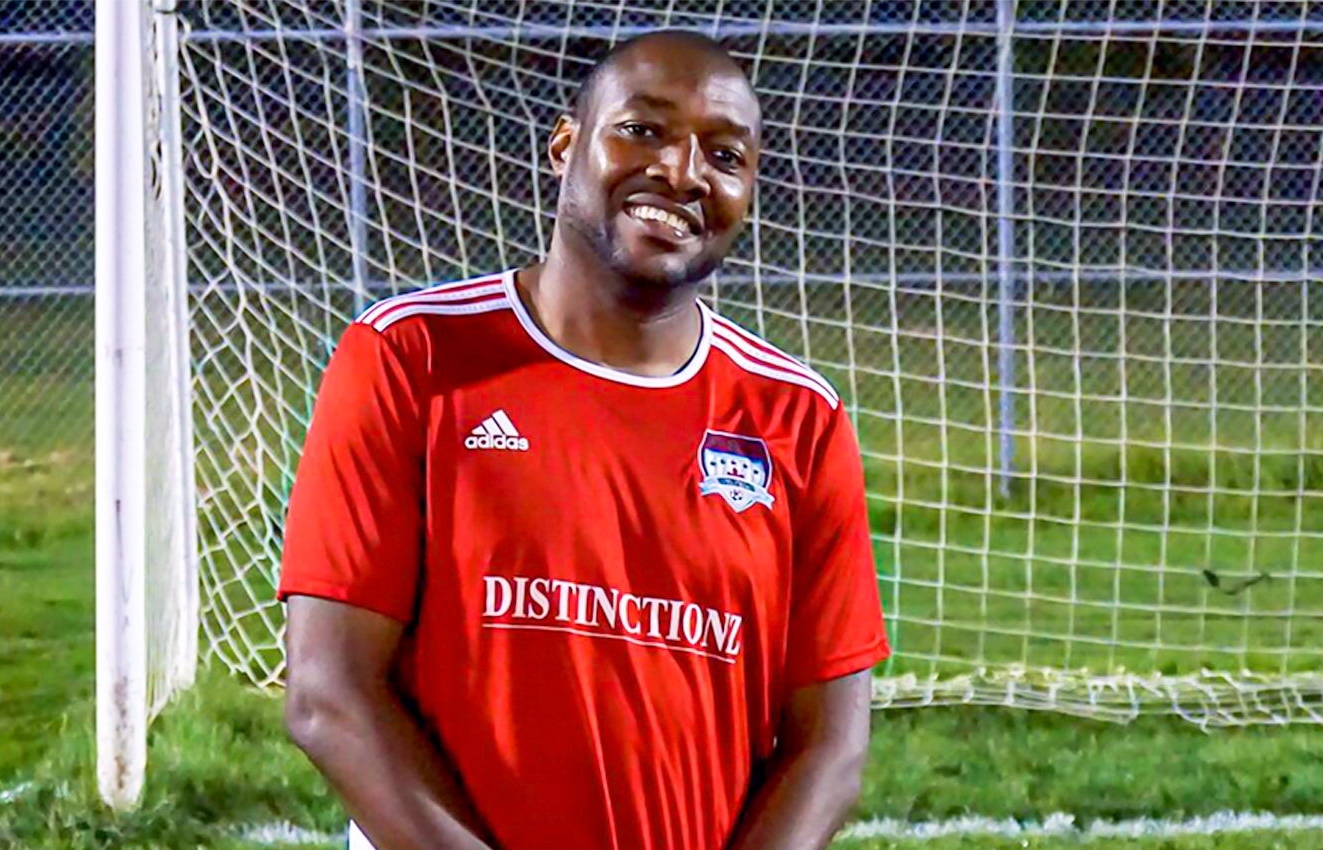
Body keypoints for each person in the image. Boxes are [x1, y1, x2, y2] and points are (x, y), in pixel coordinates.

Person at [277, 30, 889, 850]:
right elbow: (329, 692)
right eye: (644, 129)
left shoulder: (798, 417)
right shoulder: (411, 358)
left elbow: (831, 747)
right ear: (565, 146)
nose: (681, 172)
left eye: (725, 155)